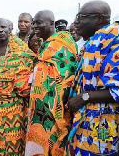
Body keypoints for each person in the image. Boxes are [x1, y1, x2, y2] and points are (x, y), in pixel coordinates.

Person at [67, 0, 119, 155]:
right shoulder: (94, 42)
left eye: (81, 17)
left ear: (100, 19)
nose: (76, 22)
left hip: (106, 125)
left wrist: (84, 97)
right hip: (85, 119)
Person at [26, 10, 78, 156]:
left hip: (56, 109)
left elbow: (67, 76)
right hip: (40, 108)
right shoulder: (46, 45)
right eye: (34, 22)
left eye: (39, 22)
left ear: (52, 24)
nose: (35, 25)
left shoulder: (63, 44)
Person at [0, 18, 35, 156]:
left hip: (14, 103)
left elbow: (29, 72)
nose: (0, 30)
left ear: (10, 29)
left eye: (3, 27)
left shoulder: (21, 48)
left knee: (16, 139)